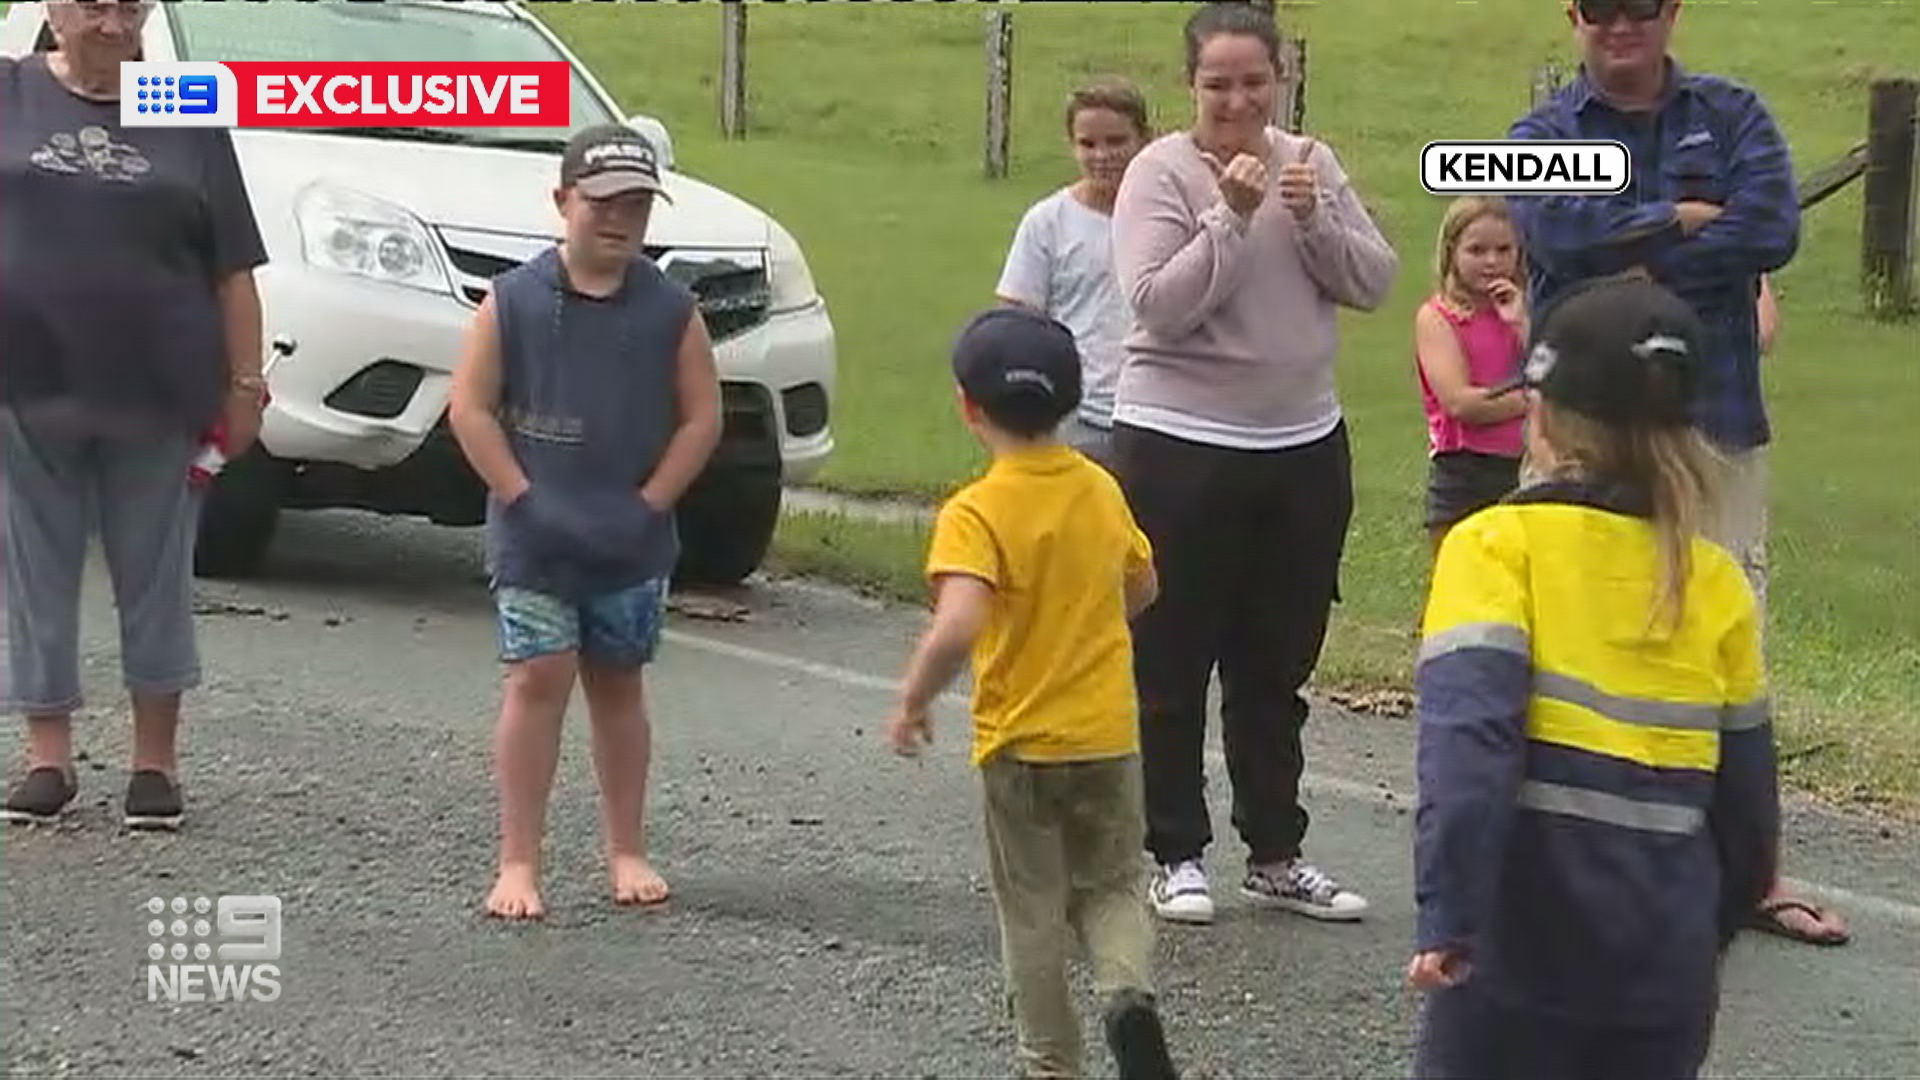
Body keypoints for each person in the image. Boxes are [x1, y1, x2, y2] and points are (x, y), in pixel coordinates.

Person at [1508, 0, 1846, 949]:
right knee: (1564, 644)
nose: (1622, 24)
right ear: (1573, 15)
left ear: (1673, 11)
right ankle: (1552, 865)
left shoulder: (1733, 114)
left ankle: (1744, 873)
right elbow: (1552, 239)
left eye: (1641, 5)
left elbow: (1772, 229)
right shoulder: (1544, 132)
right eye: (1600, 7)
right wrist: (1684, 220)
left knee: (1725, 651)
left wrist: (1629, 242)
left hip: (1714, 426)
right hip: (1576, 433)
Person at [1406, 274, 1780, 1078]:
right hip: (1662, 970)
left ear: (1538, 416)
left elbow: (1470, 750)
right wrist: (1703, 932)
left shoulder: (1494, 547)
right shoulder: (1713, 580)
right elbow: (1748, 814)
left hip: (1519, 954)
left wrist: (1449, 916)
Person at [1108, 0, 1398, 925]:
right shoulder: (1158, 172)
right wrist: (1229, 217)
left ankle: (1276, 851)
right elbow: (1157, 305)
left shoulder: (1311, 163)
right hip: (1179, 445)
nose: (1237, 100)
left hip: (1303, 445)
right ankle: (1175, 852)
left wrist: (1312, 222)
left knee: (1276, 663)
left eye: (1253, 81)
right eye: (1217, 83)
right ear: (1189, 87)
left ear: (1281, 78)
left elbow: (1374, 281)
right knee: (1173, 655)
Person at [883, 306, 1177, 1080]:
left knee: (1033, 909)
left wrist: (913, 699)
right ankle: (1127, 996)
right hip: (1108, 734)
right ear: (1073, 400)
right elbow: (1143, 584)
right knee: (1113, 887)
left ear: (967, 407)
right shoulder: (1099, 489)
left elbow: (958, 625)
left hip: (1019, 743)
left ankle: (1049, 1060)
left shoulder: (976, 512)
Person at [0, 0, 268, 831]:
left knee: (155, 574)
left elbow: (234, 267)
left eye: (129, 6)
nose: (112, 25)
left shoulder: (182, 107)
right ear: (52, 8)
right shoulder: (8, 93)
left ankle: (156, 764)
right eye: (93, 6)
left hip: (159, 389)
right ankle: (48, 757)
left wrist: (246, 385)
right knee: (32, 573)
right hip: (26, 383)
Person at [447, 123, 722, 921]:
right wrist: (521, 496)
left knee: (617, 682)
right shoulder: (514, 300)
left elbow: (701, 418)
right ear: (563, 201)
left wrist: (654, 501)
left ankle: (625, 848)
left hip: (630, 533)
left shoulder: (673, 310)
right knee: (538, 678)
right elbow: (471, 407)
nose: (618, 219)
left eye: (636, 204)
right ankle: (518, 860)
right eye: (602, 202)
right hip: (535, 530)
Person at [995, 76, 1153, 466]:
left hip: (1155, 411)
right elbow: (1017, 320)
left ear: (1145, 140)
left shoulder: (1165, 216)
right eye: (1088, 144)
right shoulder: (1048, 222)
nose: (1102, 156)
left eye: (1116, 142)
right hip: (1074, 416)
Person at [1414, 196, 1529, 557]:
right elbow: (1461, 403)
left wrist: (1522, 323)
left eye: (1503, 249)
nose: (1492, 261)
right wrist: (1534, 396)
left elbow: (1556, 363)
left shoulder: (1525, 310)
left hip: (1527, 464)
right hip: (1464, 471)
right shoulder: (1438, 317)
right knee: (1456, 591)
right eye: (1477, 250)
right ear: (1453, 252)